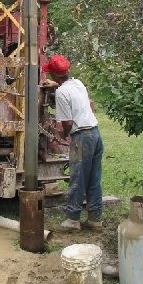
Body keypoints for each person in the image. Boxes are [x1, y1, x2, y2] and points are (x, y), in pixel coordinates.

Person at [42, 54, 104, 232]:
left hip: (82, 137)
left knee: (77, 179)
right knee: (94, 179)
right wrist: (55, 85)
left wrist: (63, 135)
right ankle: (95, 219)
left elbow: (67, 123)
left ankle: (72, 220)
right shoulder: (78, 83)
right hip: (95, 134)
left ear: (54, 75)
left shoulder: (61, 93)